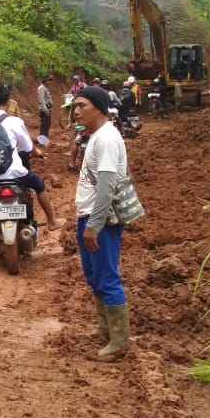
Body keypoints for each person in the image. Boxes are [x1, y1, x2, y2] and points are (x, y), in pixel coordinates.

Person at [0, 80, 65, 260]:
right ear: (9, 102)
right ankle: (52, 221)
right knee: (38, 184)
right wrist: (37, 153)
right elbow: (27, 146)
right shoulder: (15, 121)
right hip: (15, 174)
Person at [71, 86, 131, 360]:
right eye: (75, 105)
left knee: (107, 278)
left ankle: (119, 343)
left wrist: (94, 225)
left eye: (82, 105)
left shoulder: (106, 139)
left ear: (98, 107)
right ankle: (105, 328)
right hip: (91, 217)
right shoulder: (96, 137)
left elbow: (107, 186)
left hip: (101, 220)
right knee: (95, 277)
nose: (76, 111)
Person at [36, 75, 53, 140]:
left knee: (47, 125)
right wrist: (45, 110)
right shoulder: (41, 88)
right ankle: (42, 141)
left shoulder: (44, 88)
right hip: (44, 110)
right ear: (45, 81)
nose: (50, 82)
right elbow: (42, 100)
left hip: (47, 109)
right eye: (49, 80)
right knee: (45, 125)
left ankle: (43, 140)